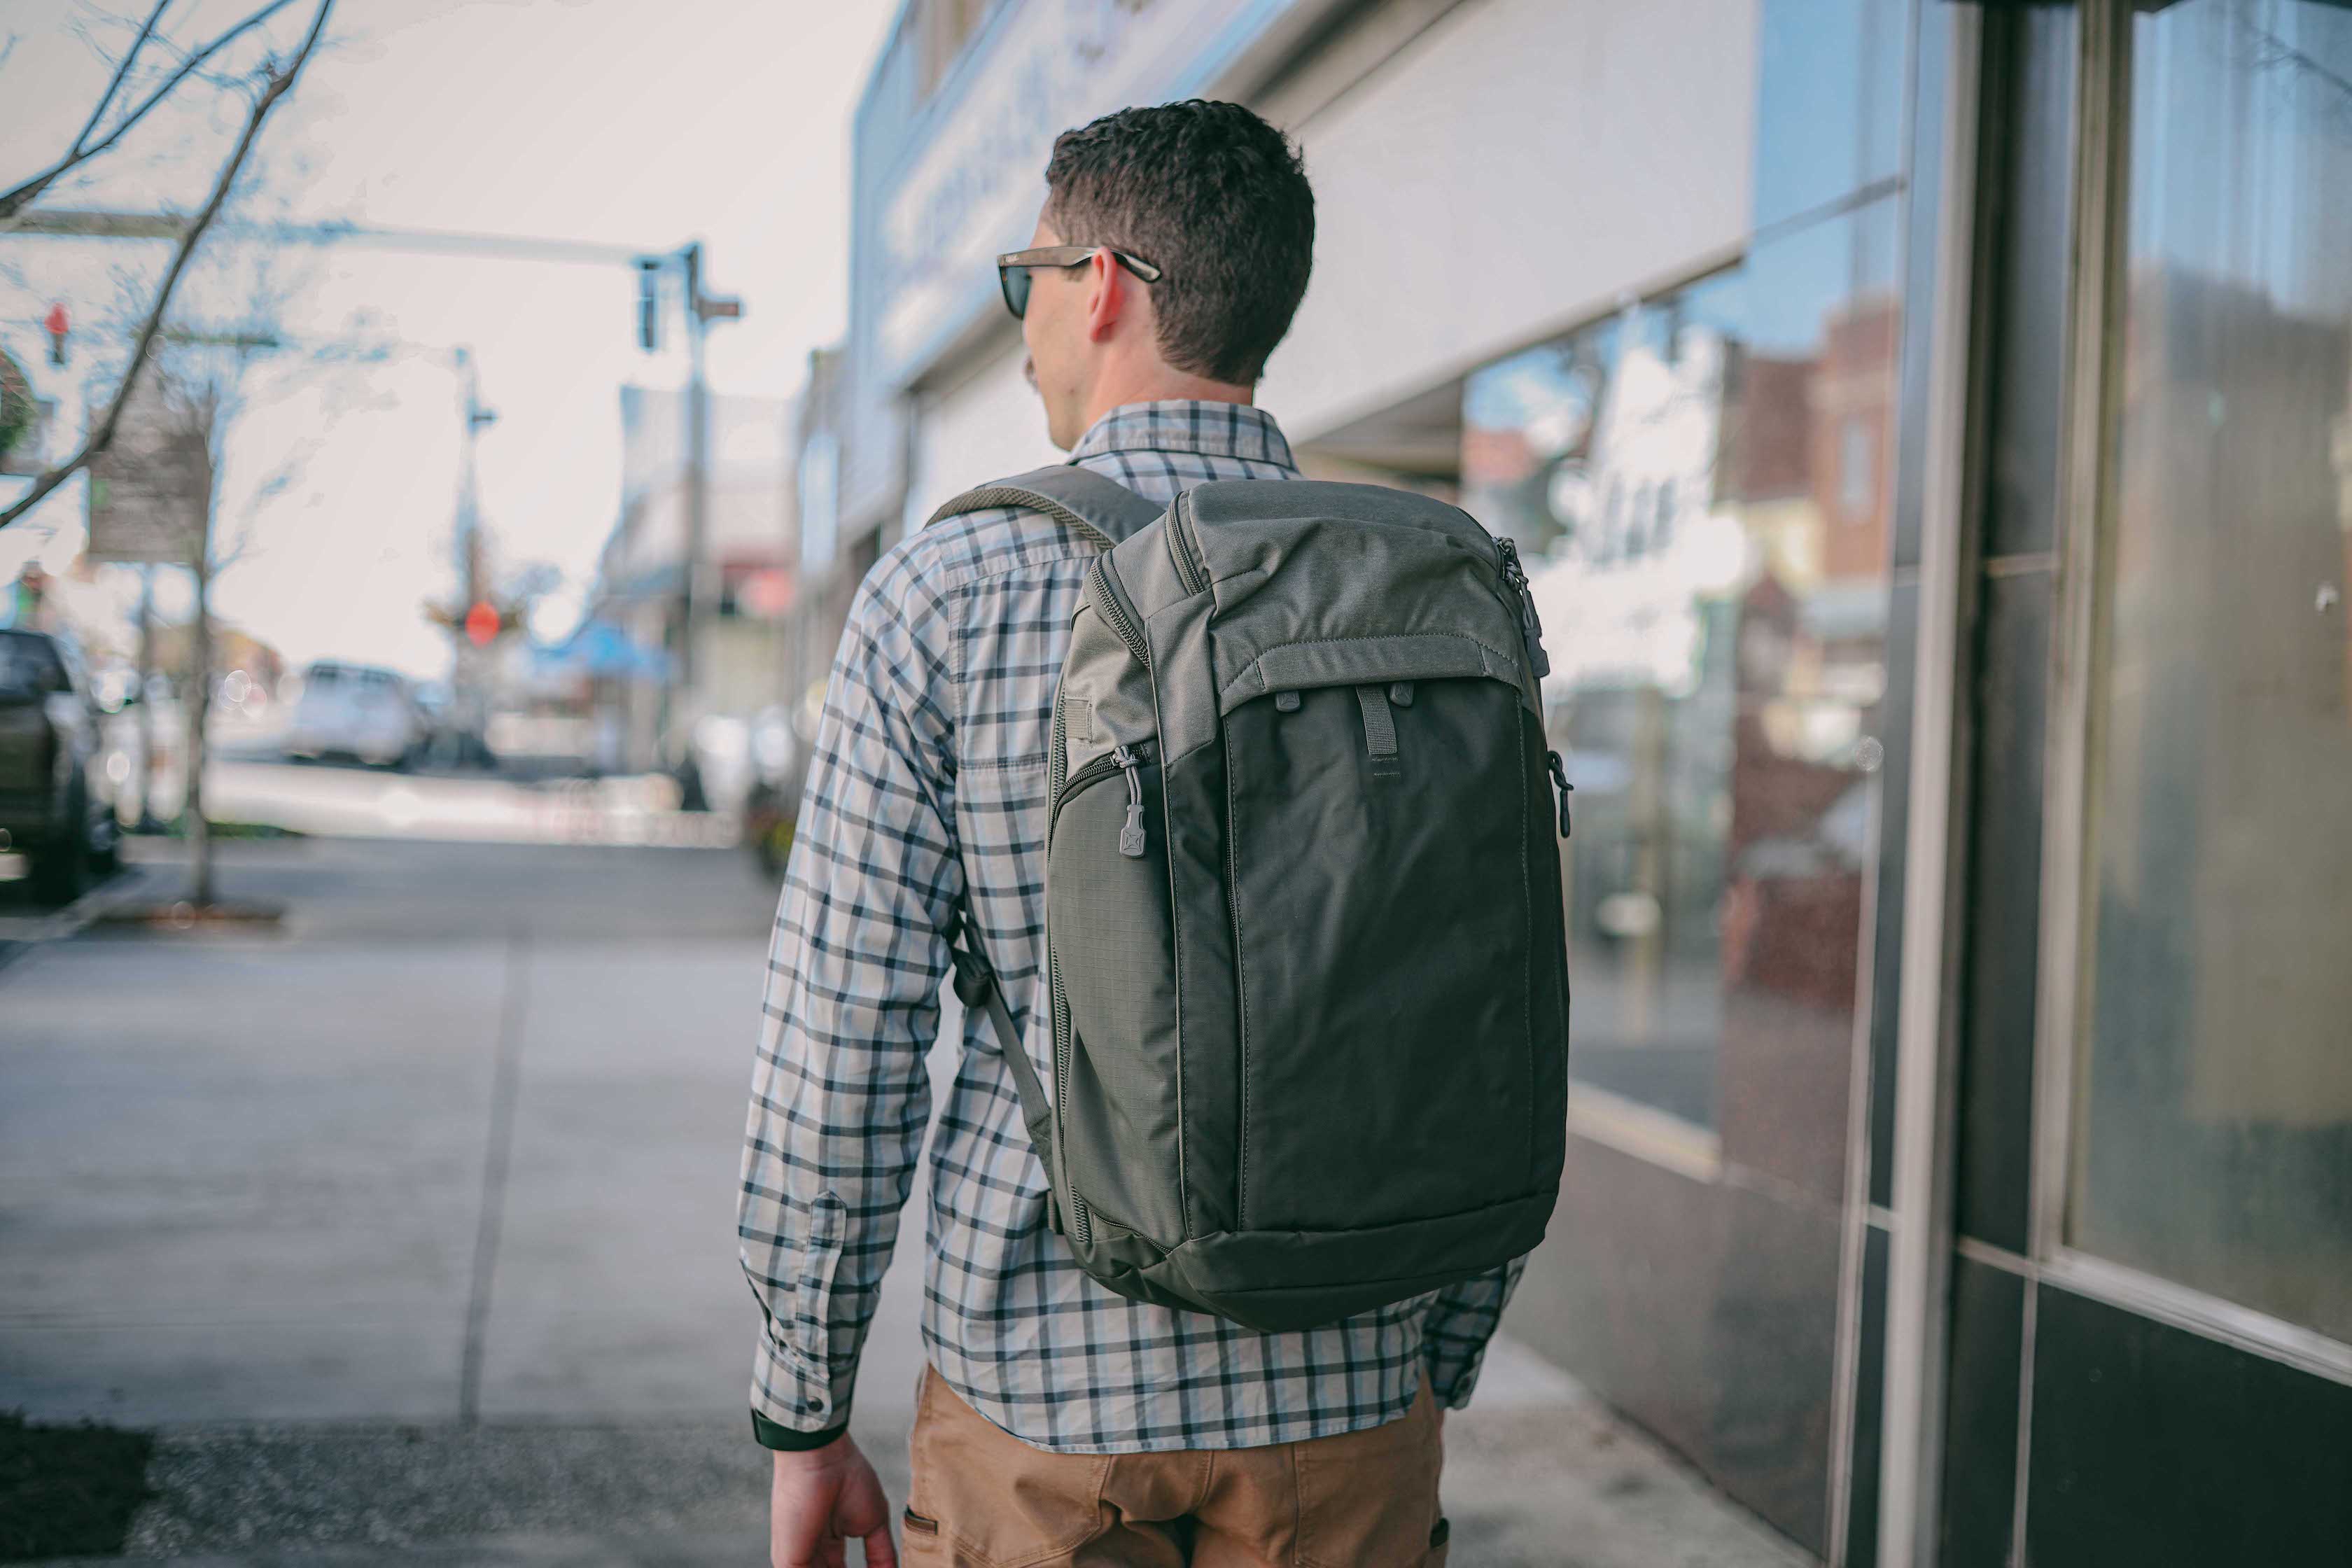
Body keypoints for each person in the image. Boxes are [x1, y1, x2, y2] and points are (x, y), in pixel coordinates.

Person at [738, 99, 1520, 1568]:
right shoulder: (1435, 588)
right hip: (1350, 1396)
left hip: (1043, 1400)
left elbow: (839, 1043)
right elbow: (1488, 1008)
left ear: (1099, 283)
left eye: (1025, 274)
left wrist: (804, 1406)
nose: (1024, 310)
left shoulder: (952, 589)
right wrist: (1436, 1347)